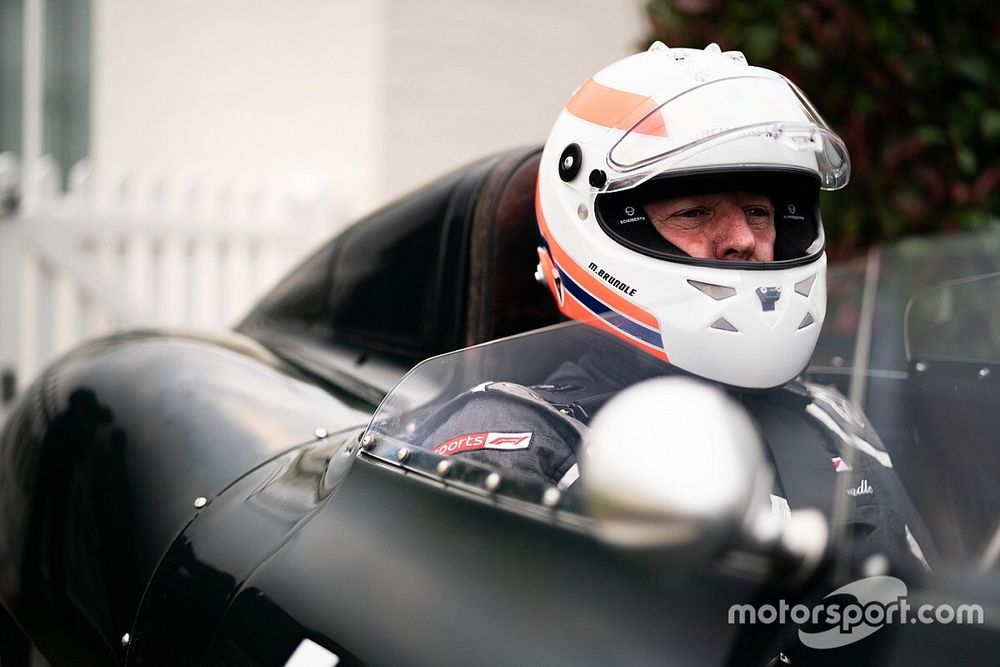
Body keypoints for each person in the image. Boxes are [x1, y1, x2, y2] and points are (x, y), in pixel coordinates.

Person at [410, 42, 934, 573]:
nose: (742, 240)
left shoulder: (829, 417)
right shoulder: (520, 443)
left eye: (758, 210)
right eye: (693, 212)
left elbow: (927, 624)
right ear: (602, 225)